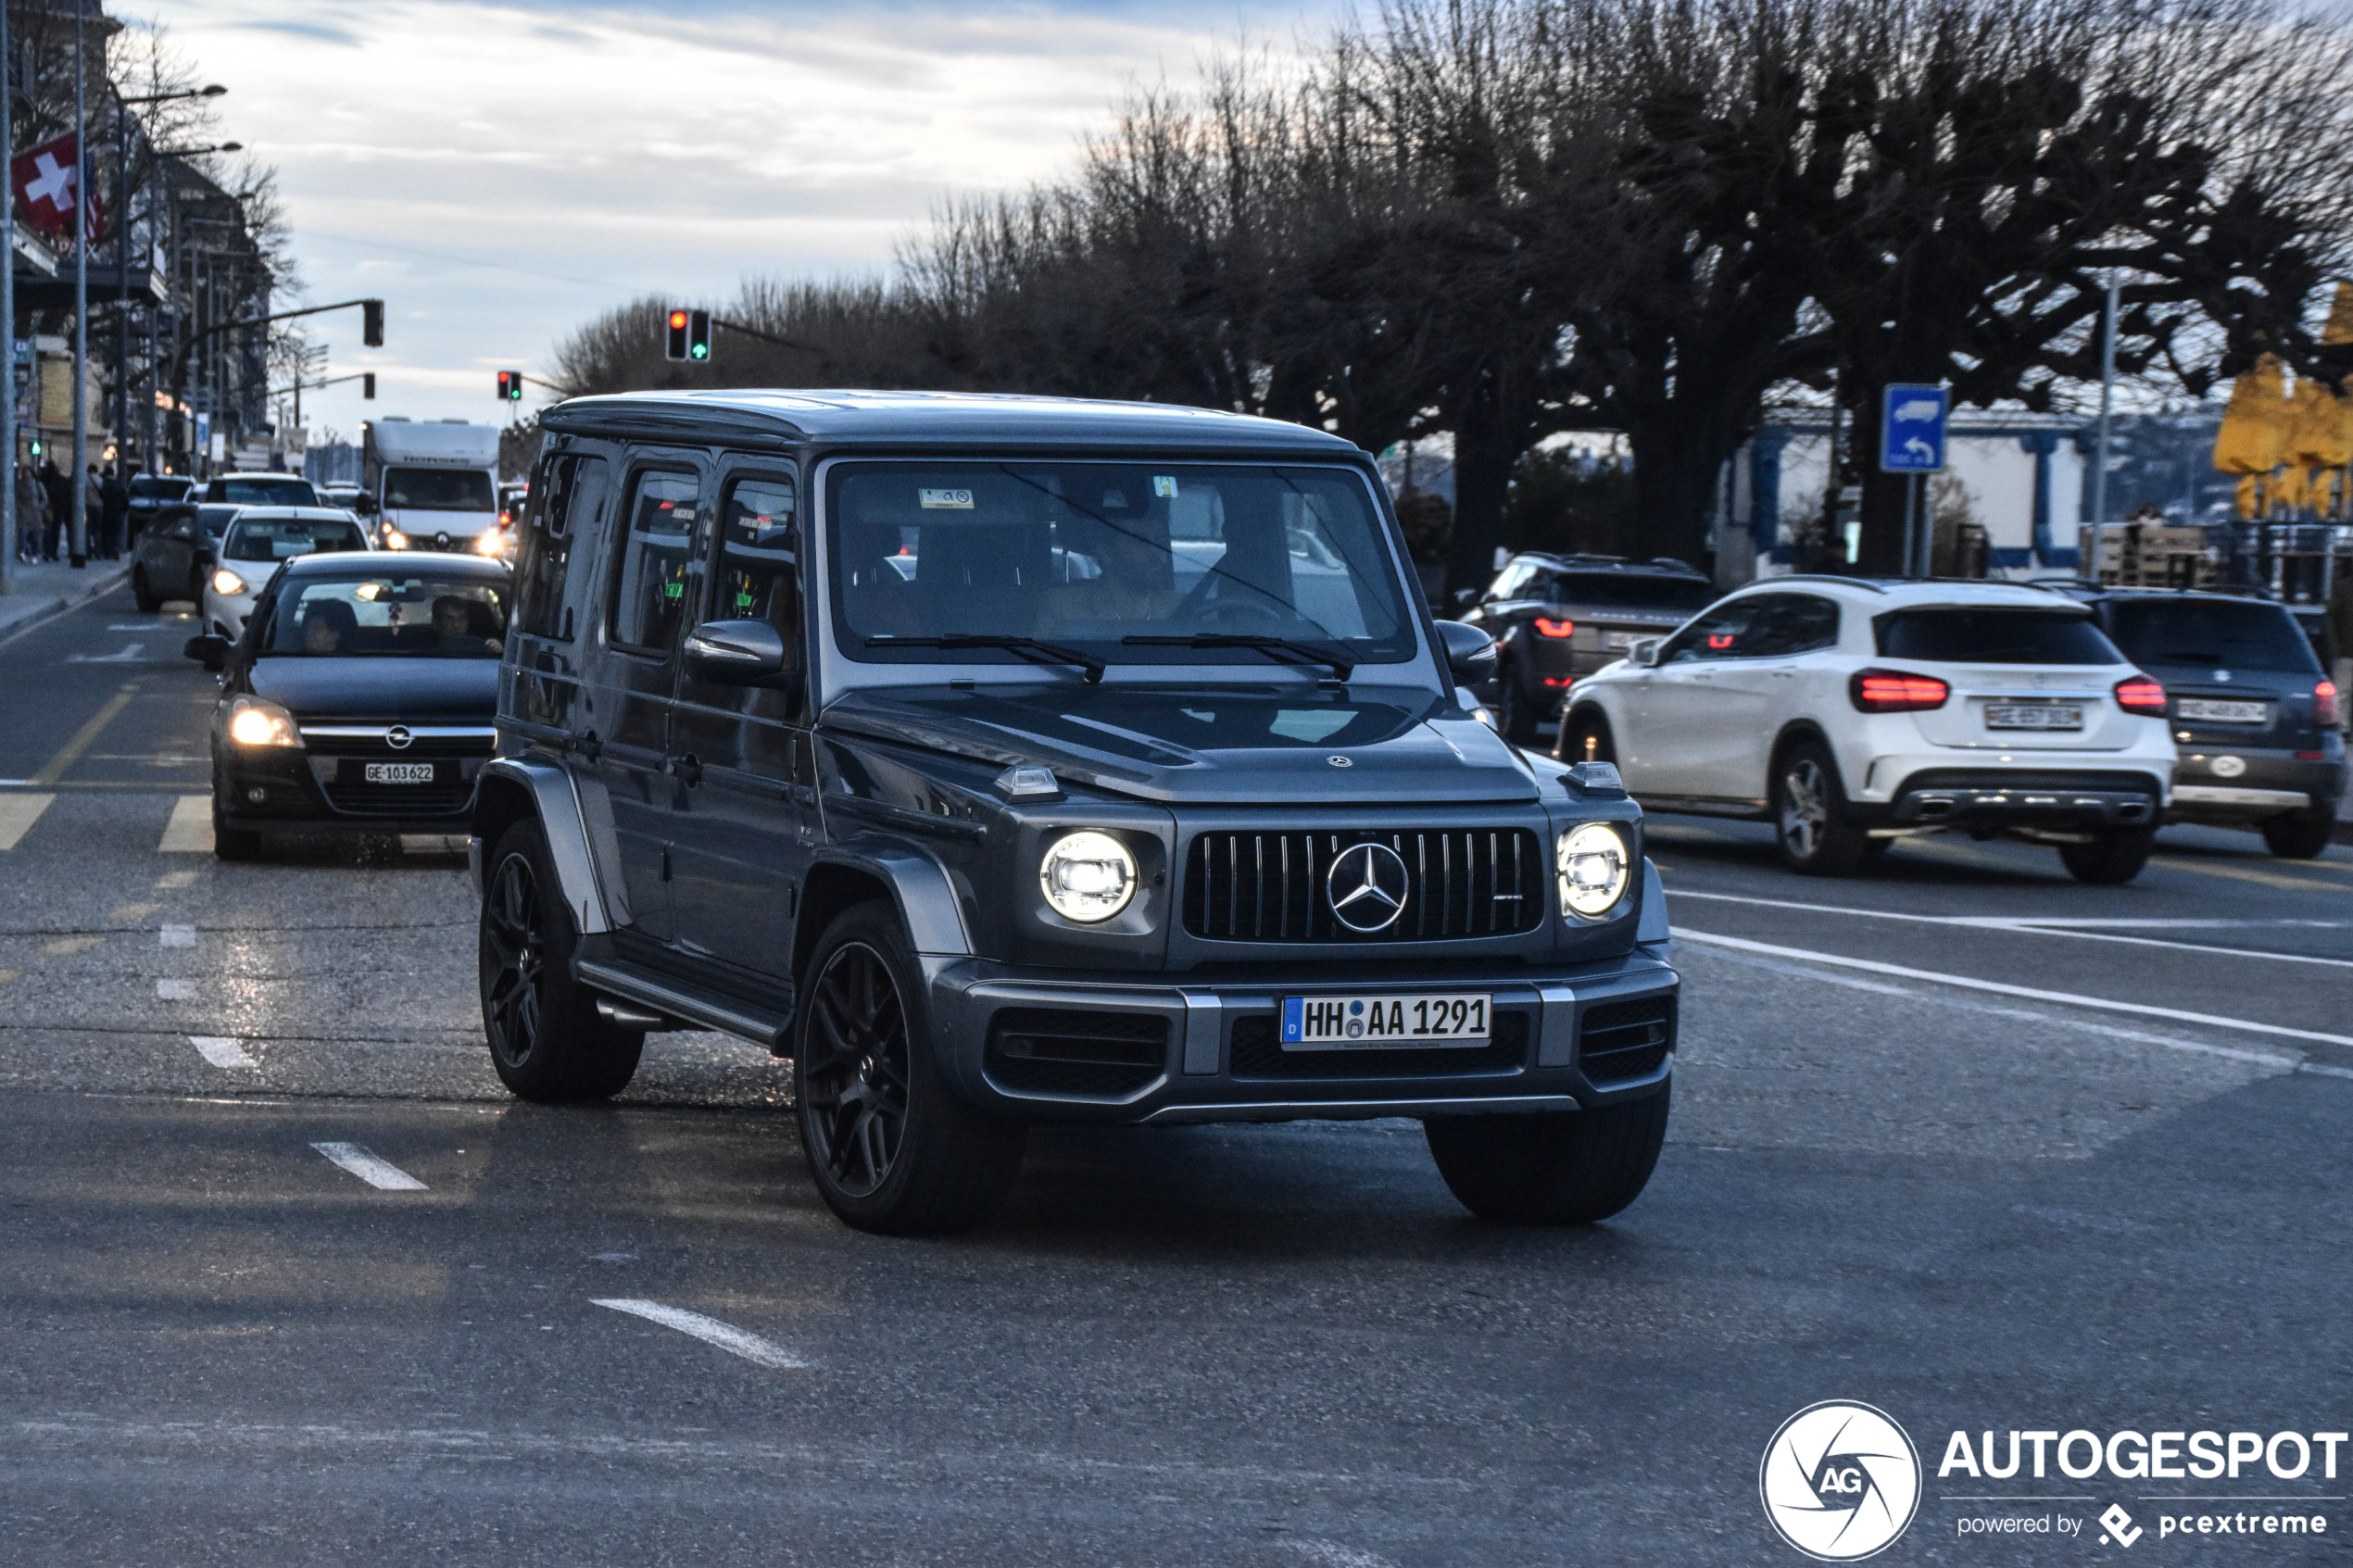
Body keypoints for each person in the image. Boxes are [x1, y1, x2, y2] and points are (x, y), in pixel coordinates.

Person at [2326, 565, 2353, 737]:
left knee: (2342, 692)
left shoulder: (2342, 588)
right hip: (2345, 651)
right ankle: (2341, 728)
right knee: (2342, 692)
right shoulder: (2343, 588)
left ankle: (2344, 727)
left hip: (2344, 650)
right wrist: (2334, 646)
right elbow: (2328, 616)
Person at [37, 460, 67, 561]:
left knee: (47, 531)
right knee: (56, 531)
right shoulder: (61, 480)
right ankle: (53, 552)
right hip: (58, 508)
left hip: (47, 508)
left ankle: (47, 551)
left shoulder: (42, 479)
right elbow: (66, 494)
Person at [100, 467, 130, 558]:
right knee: (116, 532)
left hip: (107, 511)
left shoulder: (104, 484)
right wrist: (124, 510)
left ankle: (107, 552)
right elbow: (125, 499)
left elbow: (102, 496)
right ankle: (115, 549)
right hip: (118, 511)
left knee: (106, 532)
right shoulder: (119, 484)